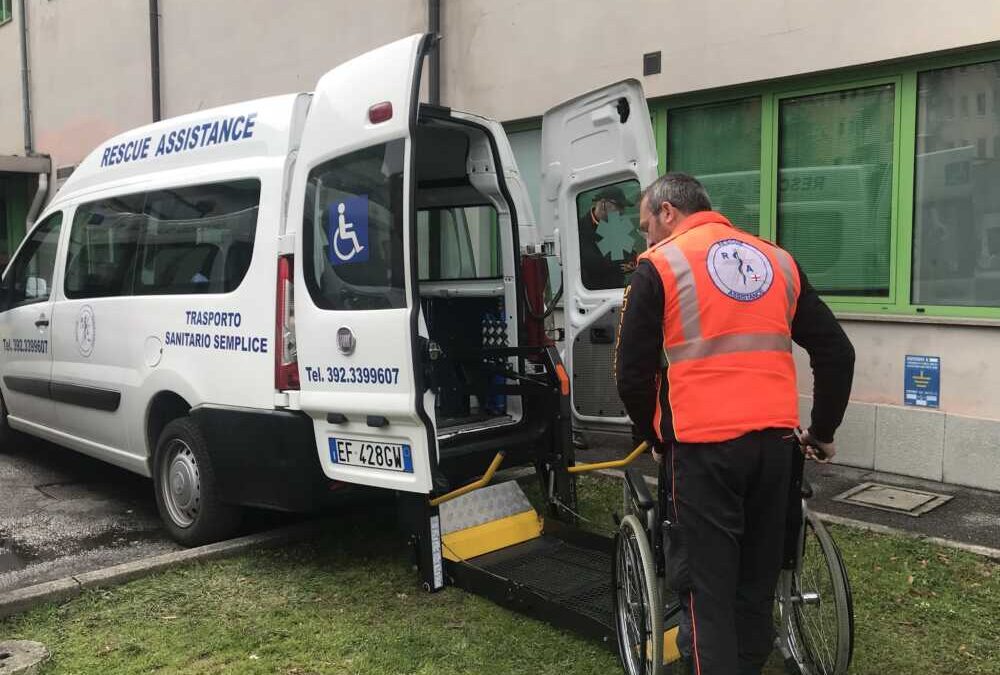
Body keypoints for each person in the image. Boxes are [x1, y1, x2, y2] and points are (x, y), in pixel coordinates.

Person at [614, 173, 855, 675]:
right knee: (756, 581)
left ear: (667, 212)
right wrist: (823, 431)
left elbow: (632, 372)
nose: (645, 238)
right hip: (776, 448)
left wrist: (652, 434)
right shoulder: (778, 261)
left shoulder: (659, 266)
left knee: (707, 591)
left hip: (704, 452)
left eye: (645, 225)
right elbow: (837, 351)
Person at [577, 185, 638, 290]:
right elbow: (592, 264)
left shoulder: (615, 224)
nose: (622, 211)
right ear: (604, 204)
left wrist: (632, 262)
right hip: (593, 295)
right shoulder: (580, 228)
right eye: (618, 206)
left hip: (616, 291)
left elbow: (630, 254)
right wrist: (620, 265)